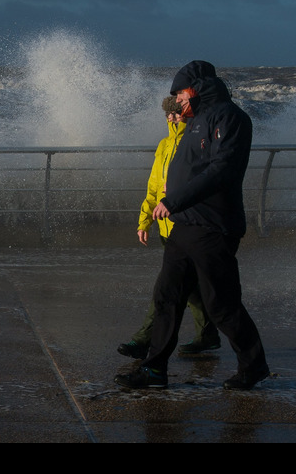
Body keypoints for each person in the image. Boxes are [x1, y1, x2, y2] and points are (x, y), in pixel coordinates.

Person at [114, 60, 270, 391]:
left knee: (221, 305)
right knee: (167, 295)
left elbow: (221, 169)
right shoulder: (195, 120)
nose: (178, 101)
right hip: (183, 226)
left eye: (181, 94)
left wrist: (173, 201)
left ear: (195, 89)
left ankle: (253, 365)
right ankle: (153, 370)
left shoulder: (230, 118)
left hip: (213, 226)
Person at [116, 96, 220, 360]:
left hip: (186, 224)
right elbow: (154, 186)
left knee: (166, 288)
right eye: (168, 114)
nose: (172, 118)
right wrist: (144, 220)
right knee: (191, 287)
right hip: (165, 226)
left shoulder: (197, 142)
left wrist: (176, 191)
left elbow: (208, 179)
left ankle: (143, 341)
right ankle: (208, 335)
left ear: (187, 113)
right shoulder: (164, 145)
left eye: (177, 113)